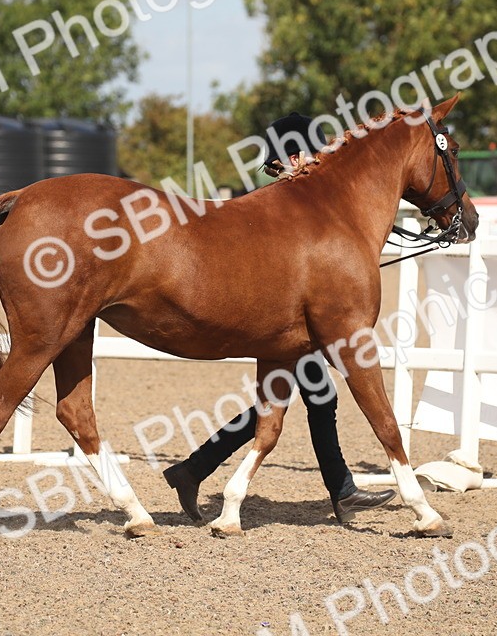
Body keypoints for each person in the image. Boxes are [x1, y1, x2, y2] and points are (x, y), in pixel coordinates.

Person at [163, 112, 397, 524]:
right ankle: (338, 491)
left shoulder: (304, 203)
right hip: (278, 319)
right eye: (309, 153)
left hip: (292, 320)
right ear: (291, 156)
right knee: (300, 400)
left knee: (305, 399)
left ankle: (194, 469)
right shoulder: (280, 206)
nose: (317, 161)